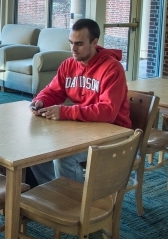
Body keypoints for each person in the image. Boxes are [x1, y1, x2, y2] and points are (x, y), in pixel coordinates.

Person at [28, 18, 131, 184]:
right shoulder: (68, 65)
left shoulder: (112, 68)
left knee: (65, 157)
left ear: (94, 42)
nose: (73, 49)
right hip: (84, 128)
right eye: (71, 43)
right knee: (34, 148)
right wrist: (40, 101)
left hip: (114, 133)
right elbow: (53, 91)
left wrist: (65, 112)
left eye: (79, 44)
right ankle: (54, 192)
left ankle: (73, 204)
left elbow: (108, 112)